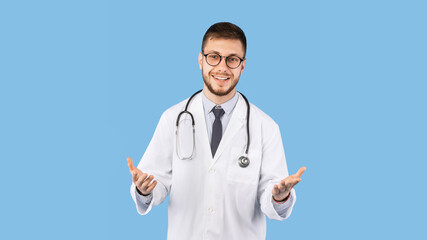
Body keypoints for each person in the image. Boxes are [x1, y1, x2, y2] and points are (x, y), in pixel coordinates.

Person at [127, 22, 306, 240]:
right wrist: (145, 190)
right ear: (200, 60)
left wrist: (280, 196)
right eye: (214, 56)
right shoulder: (172, 118)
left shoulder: (265, 127)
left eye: (232, 59)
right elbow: (156, 183)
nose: (222, 67)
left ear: (243, 65)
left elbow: (272, 196)